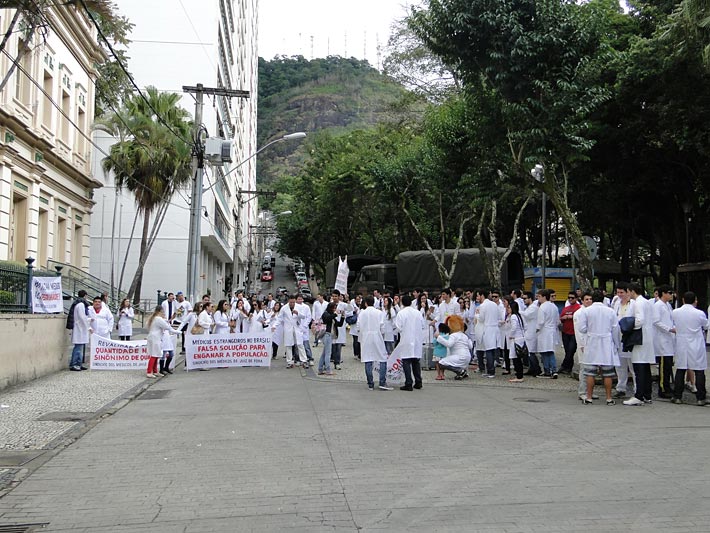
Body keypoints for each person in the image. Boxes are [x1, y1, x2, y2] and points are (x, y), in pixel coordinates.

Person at [576, 290, 620, 405]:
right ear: (603, 299)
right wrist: (616, 344)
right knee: (608, 373)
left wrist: (590, 330)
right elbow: (615, 329)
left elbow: (581, 328)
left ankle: (589, 397)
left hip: (592, 342)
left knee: (590, 372)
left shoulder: (587, 311)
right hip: (606, 342)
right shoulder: (610, 311)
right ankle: (609, 398)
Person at [671, 292, 709, 406]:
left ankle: (677, 396)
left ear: (683, 300)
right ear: (695, 300)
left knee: (680, 369)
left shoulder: (675, 312)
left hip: (681, 343)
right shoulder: (699, 313)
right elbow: (706, 325)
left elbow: (673, 324)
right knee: (699, 370)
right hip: (696, 343)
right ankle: (701, 398)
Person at [623, 283, 656, 406]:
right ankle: (647, 394)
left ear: (632, 291)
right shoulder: (646, 302)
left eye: (628, 291)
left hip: (640, 337)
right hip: (647, 337)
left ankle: (639, 396)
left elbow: (639, 320)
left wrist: (628, 327)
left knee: (639, 366)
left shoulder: (638, 303)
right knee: (645, 367)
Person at [357, 295, 391, 390]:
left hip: (366, 337)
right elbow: (382, 327)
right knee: (382, 358)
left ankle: (370, 383)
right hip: (377, 336)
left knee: (368, 359)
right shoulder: (379, 313)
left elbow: (358, 327)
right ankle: (382, 382)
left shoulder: (362, 313)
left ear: (365, 303)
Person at [394, 294, 425, 391]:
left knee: (406, 361)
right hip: (416, 339)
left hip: (406, 339)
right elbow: (423, 325)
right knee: (416, 361)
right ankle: (418, 381)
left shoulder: (401, 313)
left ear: (402, 303)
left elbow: (398, 327)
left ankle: (408, 382)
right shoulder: (417, 313)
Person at [612, 282, 637, 399]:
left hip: (629, 336)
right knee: (620, 365)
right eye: (618, 292)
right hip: (618, 336)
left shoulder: (633, 304)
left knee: (632, 365)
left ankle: (637, 389)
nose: (619, 294)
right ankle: (621, 388)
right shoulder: (616, 303)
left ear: (628, 292)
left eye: (622, 292)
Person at [652, 285, 676, 399]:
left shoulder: (668, 305)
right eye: (669, 293)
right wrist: (669, 329)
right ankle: (662, 388)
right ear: (663, 293)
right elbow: (656, 321)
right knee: (663, 366)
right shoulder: (658, 306)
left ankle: (667, 386)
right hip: (662, 339)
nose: (671, 295)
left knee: (668, 366)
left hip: (669, 339)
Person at [434, 314, 472, 380]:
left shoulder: (453, 335)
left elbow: (449, 344)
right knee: (454, 361)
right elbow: (470, 346)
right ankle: (463, 372)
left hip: (459, 357)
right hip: (467, 357)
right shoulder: (464, 336)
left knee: (441, 363)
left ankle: (460, 371)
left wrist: (438, 337)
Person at [573, 291, 596, 400]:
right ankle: (582, 391)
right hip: (583, 344)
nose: (589, 301)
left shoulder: (591, 312)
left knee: (592, 368)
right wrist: (582, 344)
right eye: (586, 299)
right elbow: (579, 331)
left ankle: (589, 391)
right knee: (584, 368)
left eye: (590, 299)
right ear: (582, 301)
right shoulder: (579, 313)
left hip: (592, 343)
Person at [146, 306, 177, 378]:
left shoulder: (153, 318)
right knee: (154, 355)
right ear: (160, 312)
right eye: (163, 312)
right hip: (156, 338)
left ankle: (155, 371)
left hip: (153, 337)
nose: (163, 313)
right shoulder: (158, 319)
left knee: (156, 354)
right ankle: (149, 372)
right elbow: (166, 326)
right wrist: (176, 331)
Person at [279, 295, 309, 369]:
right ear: (288, 301)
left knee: (300, 344)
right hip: (288, 329)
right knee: (288, 345)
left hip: (297, 328)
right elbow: (279, 318)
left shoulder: (299, 307)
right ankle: (290, 362)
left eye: (293, 302)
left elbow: (303, 316)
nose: (292, 304)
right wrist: (274, 326)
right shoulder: (284, 308)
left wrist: (297, 313)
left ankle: (304, 361)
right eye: (290, 302)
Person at [536, 289, 560, 378]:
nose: (538, 298)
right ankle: (554, 370)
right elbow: (557, 320)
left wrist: (537, 329)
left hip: (544, 331)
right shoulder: (554, 306)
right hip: (552, 330)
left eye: (539, 296)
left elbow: (540, 321)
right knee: (550, 351)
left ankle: (547, 370)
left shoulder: (542, 307)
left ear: (544, 297)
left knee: (544, 352)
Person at [318, 301, 344, 375]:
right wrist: (335, 314)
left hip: (330, 336)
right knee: (328, 353)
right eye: (334, 308)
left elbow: (339, 324)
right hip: (327, 335)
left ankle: (320, 369)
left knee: (324, 353)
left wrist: (342, 317)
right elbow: (327, 319)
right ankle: (328, 369)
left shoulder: (332, 316)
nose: (335, 310)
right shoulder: (326, 314)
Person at [521, 291, 542, 376]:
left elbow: (526, 315)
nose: (524, 300)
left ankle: (537, 369)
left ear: (530, 298)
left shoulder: (533, 308)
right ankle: (532, 368)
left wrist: (517, 311)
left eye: (525, 298)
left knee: (531, 352)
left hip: (532, 332)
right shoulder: (529, 307)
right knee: (529, 352)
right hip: (528, 331)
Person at [559, 291, 581, 374]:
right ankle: (568, 367)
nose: (570, 299)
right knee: (567, 350)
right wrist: (564, 317)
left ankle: (564, 365)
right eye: (569, 298)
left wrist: (571, 316)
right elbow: (561, 318)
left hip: (574, 333)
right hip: (565, 332)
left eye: (572, 298)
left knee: (571, 350)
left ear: (576, 298)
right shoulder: (566, 308)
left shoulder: (579, 308)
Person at [69, 290, 90, 371]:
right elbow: (82, 317)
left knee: (80, 348)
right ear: (85, 296)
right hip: (79, 329)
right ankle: (74, 364)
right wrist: (88, 326)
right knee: (78, 348)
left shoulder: (79, 304)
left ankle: (79, 363)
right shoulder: (81, 305)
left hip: (81, 328)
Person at [506, 300, 526, 382]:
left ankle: (519, 376)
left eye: (509, 307)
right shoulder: (518, 315)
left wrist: (511, 335)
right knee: (518, 358)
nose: (508, 309)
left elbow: (514, 327)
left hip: (516, 339)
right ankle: (519, 375)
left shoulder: (513, 316)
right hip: (520, 338)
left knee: (516, 358)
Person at [296, 295, 313, 363]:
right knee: (298, 345)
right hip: (297, 327)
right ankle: (298, 359)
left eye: (301, 299)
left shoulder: (306, 307)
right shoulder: (294, 307)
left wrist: (305, 325)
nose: (300, 300)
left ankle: (309, 358)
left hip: (304, 327)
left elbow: (309, 317)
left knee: (306, 344)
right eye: (298, 299)